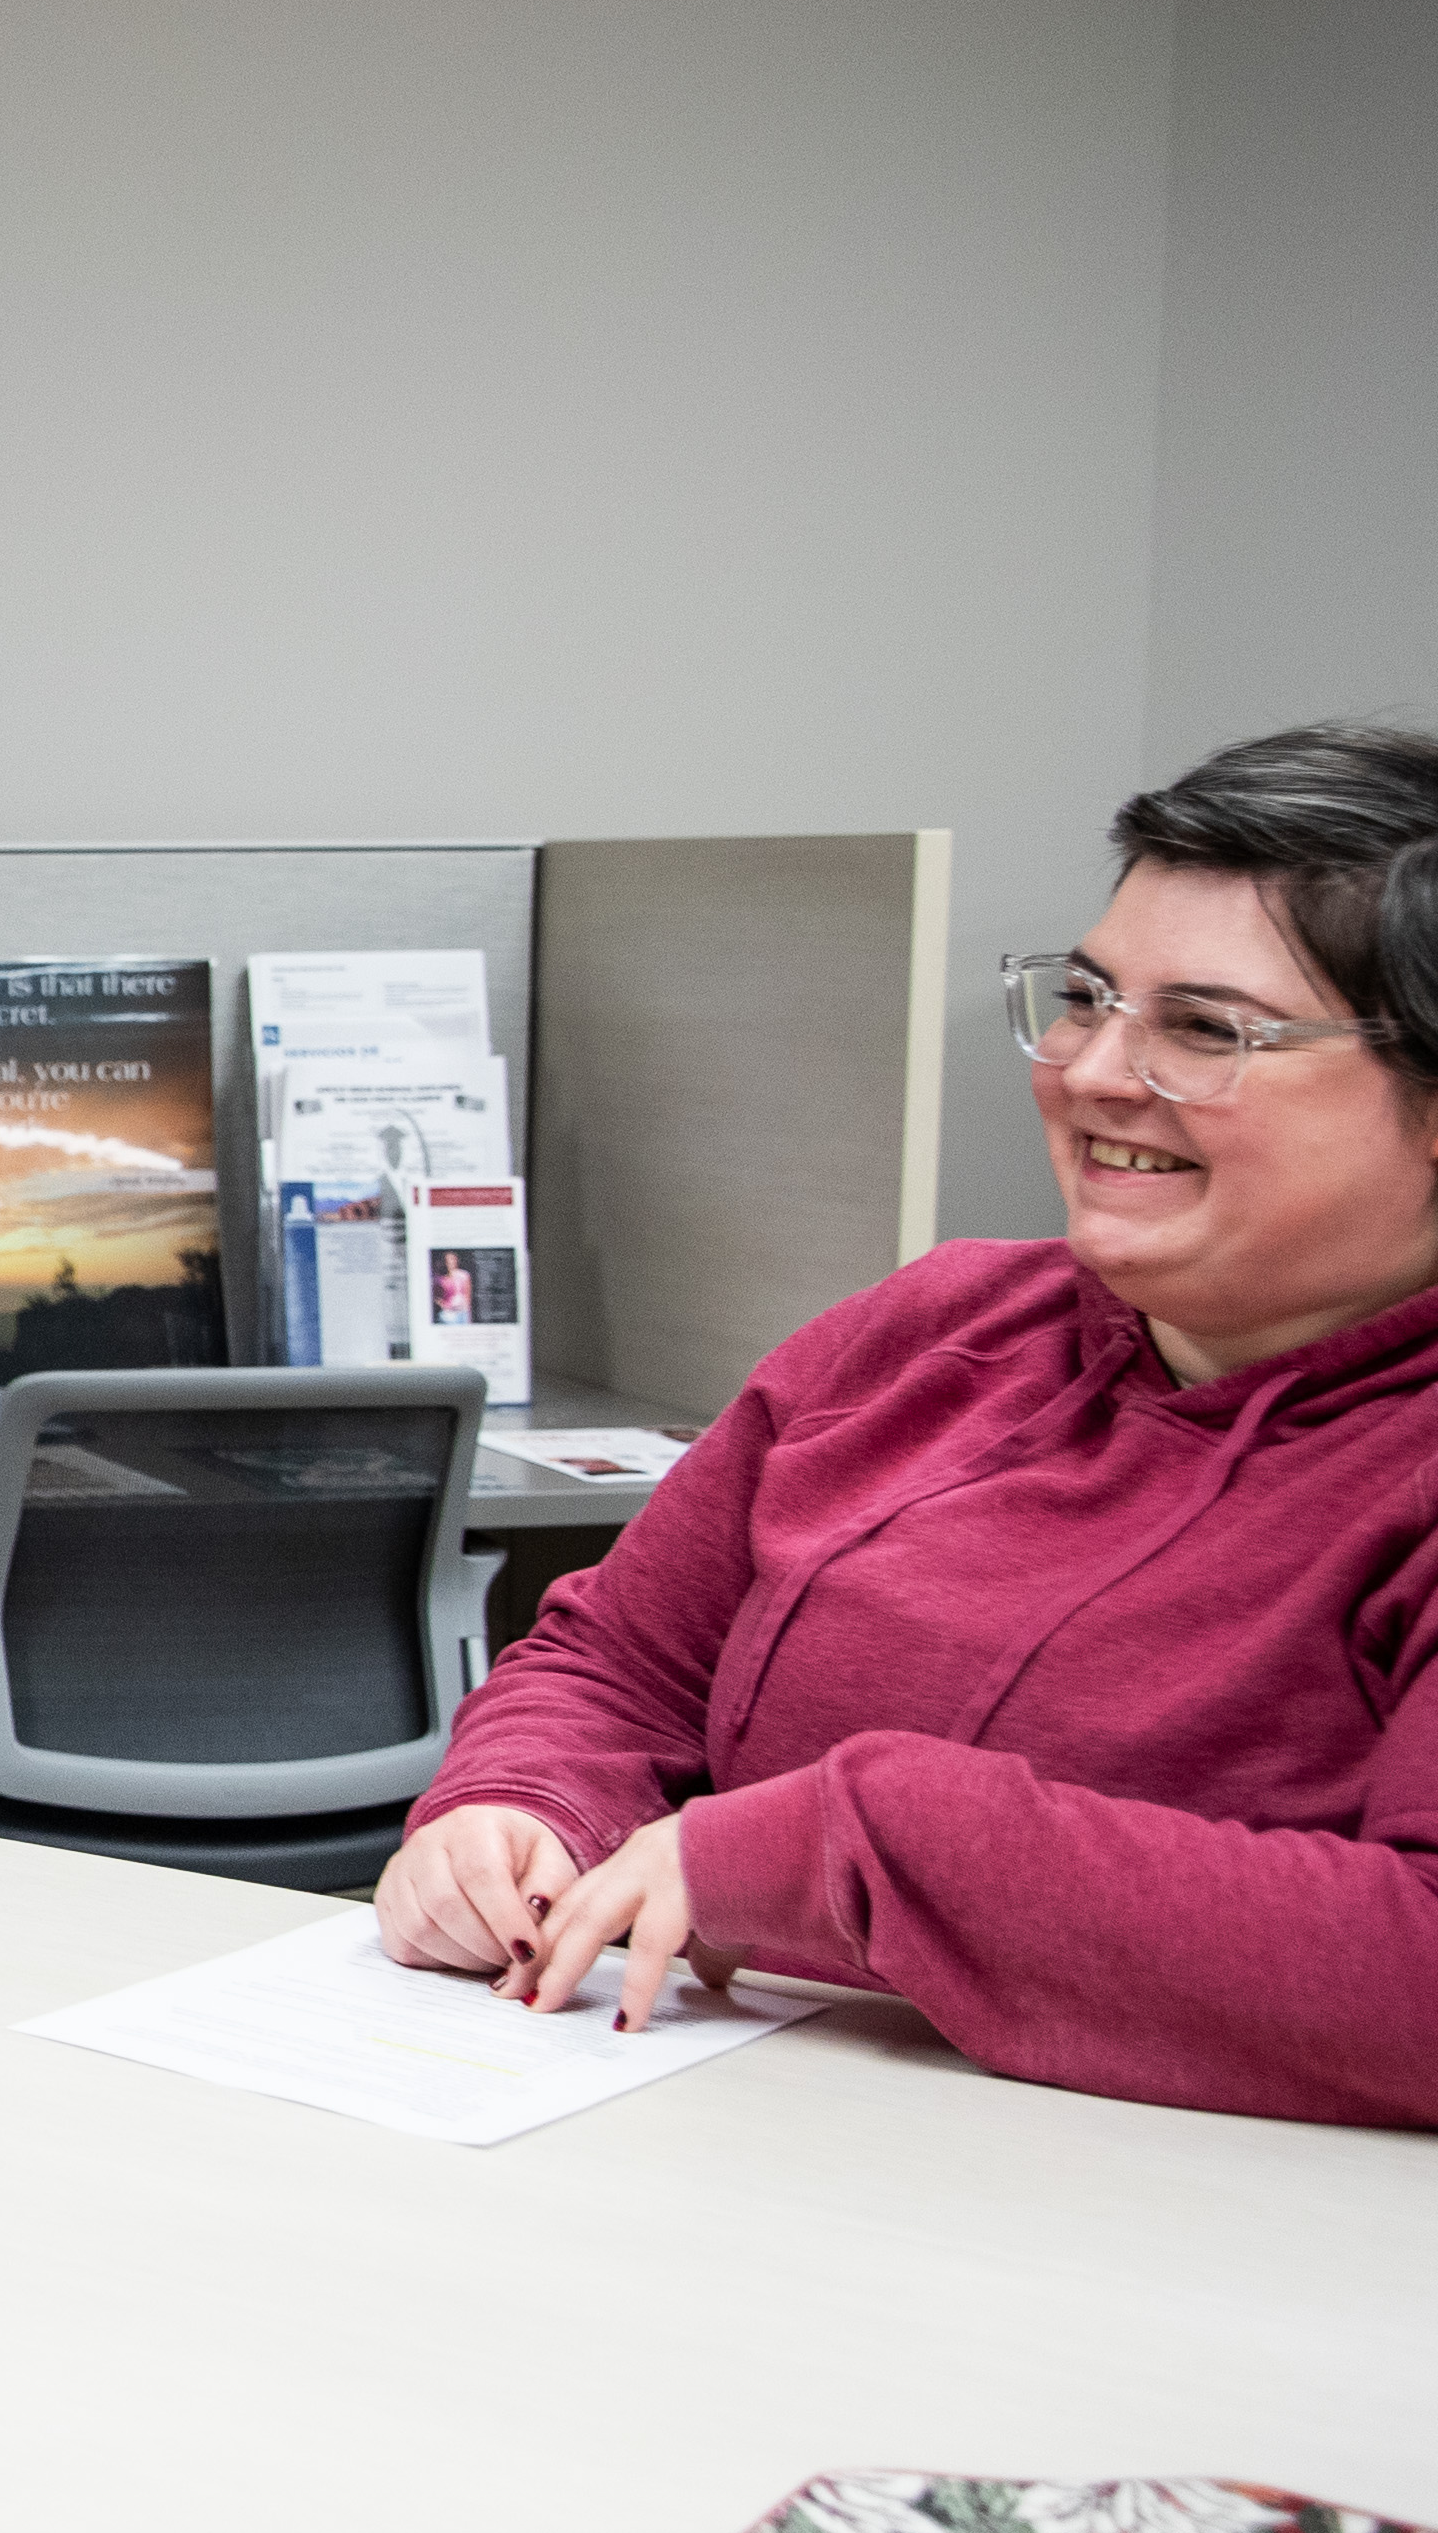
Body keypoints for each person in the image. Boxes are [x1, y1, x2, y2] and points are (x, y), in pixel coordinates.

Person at [378, 717, 1438, 2127]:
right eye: (1085, 998)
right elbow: (623, 1663)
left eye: (1204, 1029)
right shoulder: (937, 1329)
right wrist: (515, 1806)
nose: (1095, 1074)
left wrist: (845, 1844)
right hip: (724, 2141)